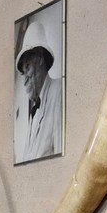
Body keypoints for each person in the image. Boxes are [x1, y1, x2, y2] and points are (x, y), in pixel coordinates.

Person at [13, 18, 63, 163]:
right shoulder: (33, 113)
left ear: (40, 58)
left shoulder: (59, 91)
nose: (25, 78)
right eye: (23, 72)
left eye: (27, 67)